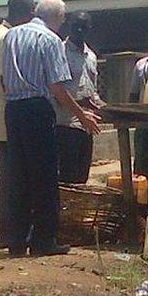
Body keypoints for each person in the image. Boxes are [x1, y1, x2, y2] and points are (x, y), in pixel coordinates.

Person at [1, 0, 101, 257]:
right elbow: (58, 87)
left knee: (18, 176)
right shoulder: (50, 40)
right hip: (37, 108)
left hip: (12, 109)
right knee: (44, 177)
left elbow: (3, 77)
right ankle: (44, 241)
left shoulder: (12, 35)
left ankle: (16, 240)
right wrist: (82, 115)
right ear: (58, 18)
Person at [0, 0, 35, 249]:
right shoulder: (7, 38)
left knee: (8, 176)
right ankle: (9, 233)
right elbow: (8, 80)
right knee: (13, 177)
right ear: (24, 13)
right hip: (6, 111)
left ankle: (7, 231)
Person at [55, 11, 105, 184]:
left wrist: (102, 107)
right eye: (75, 25)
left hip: (86, 128)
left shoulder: (91, 56)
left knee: (81, 179)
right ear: (68, 25)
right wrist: (80, 106)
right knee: (66, 180)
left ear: (89, 29)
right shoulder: (58, 51)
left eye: (83, 27)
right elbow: (55, 91)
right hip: (65, 126)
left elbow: (93, 91)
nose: (79, 30)